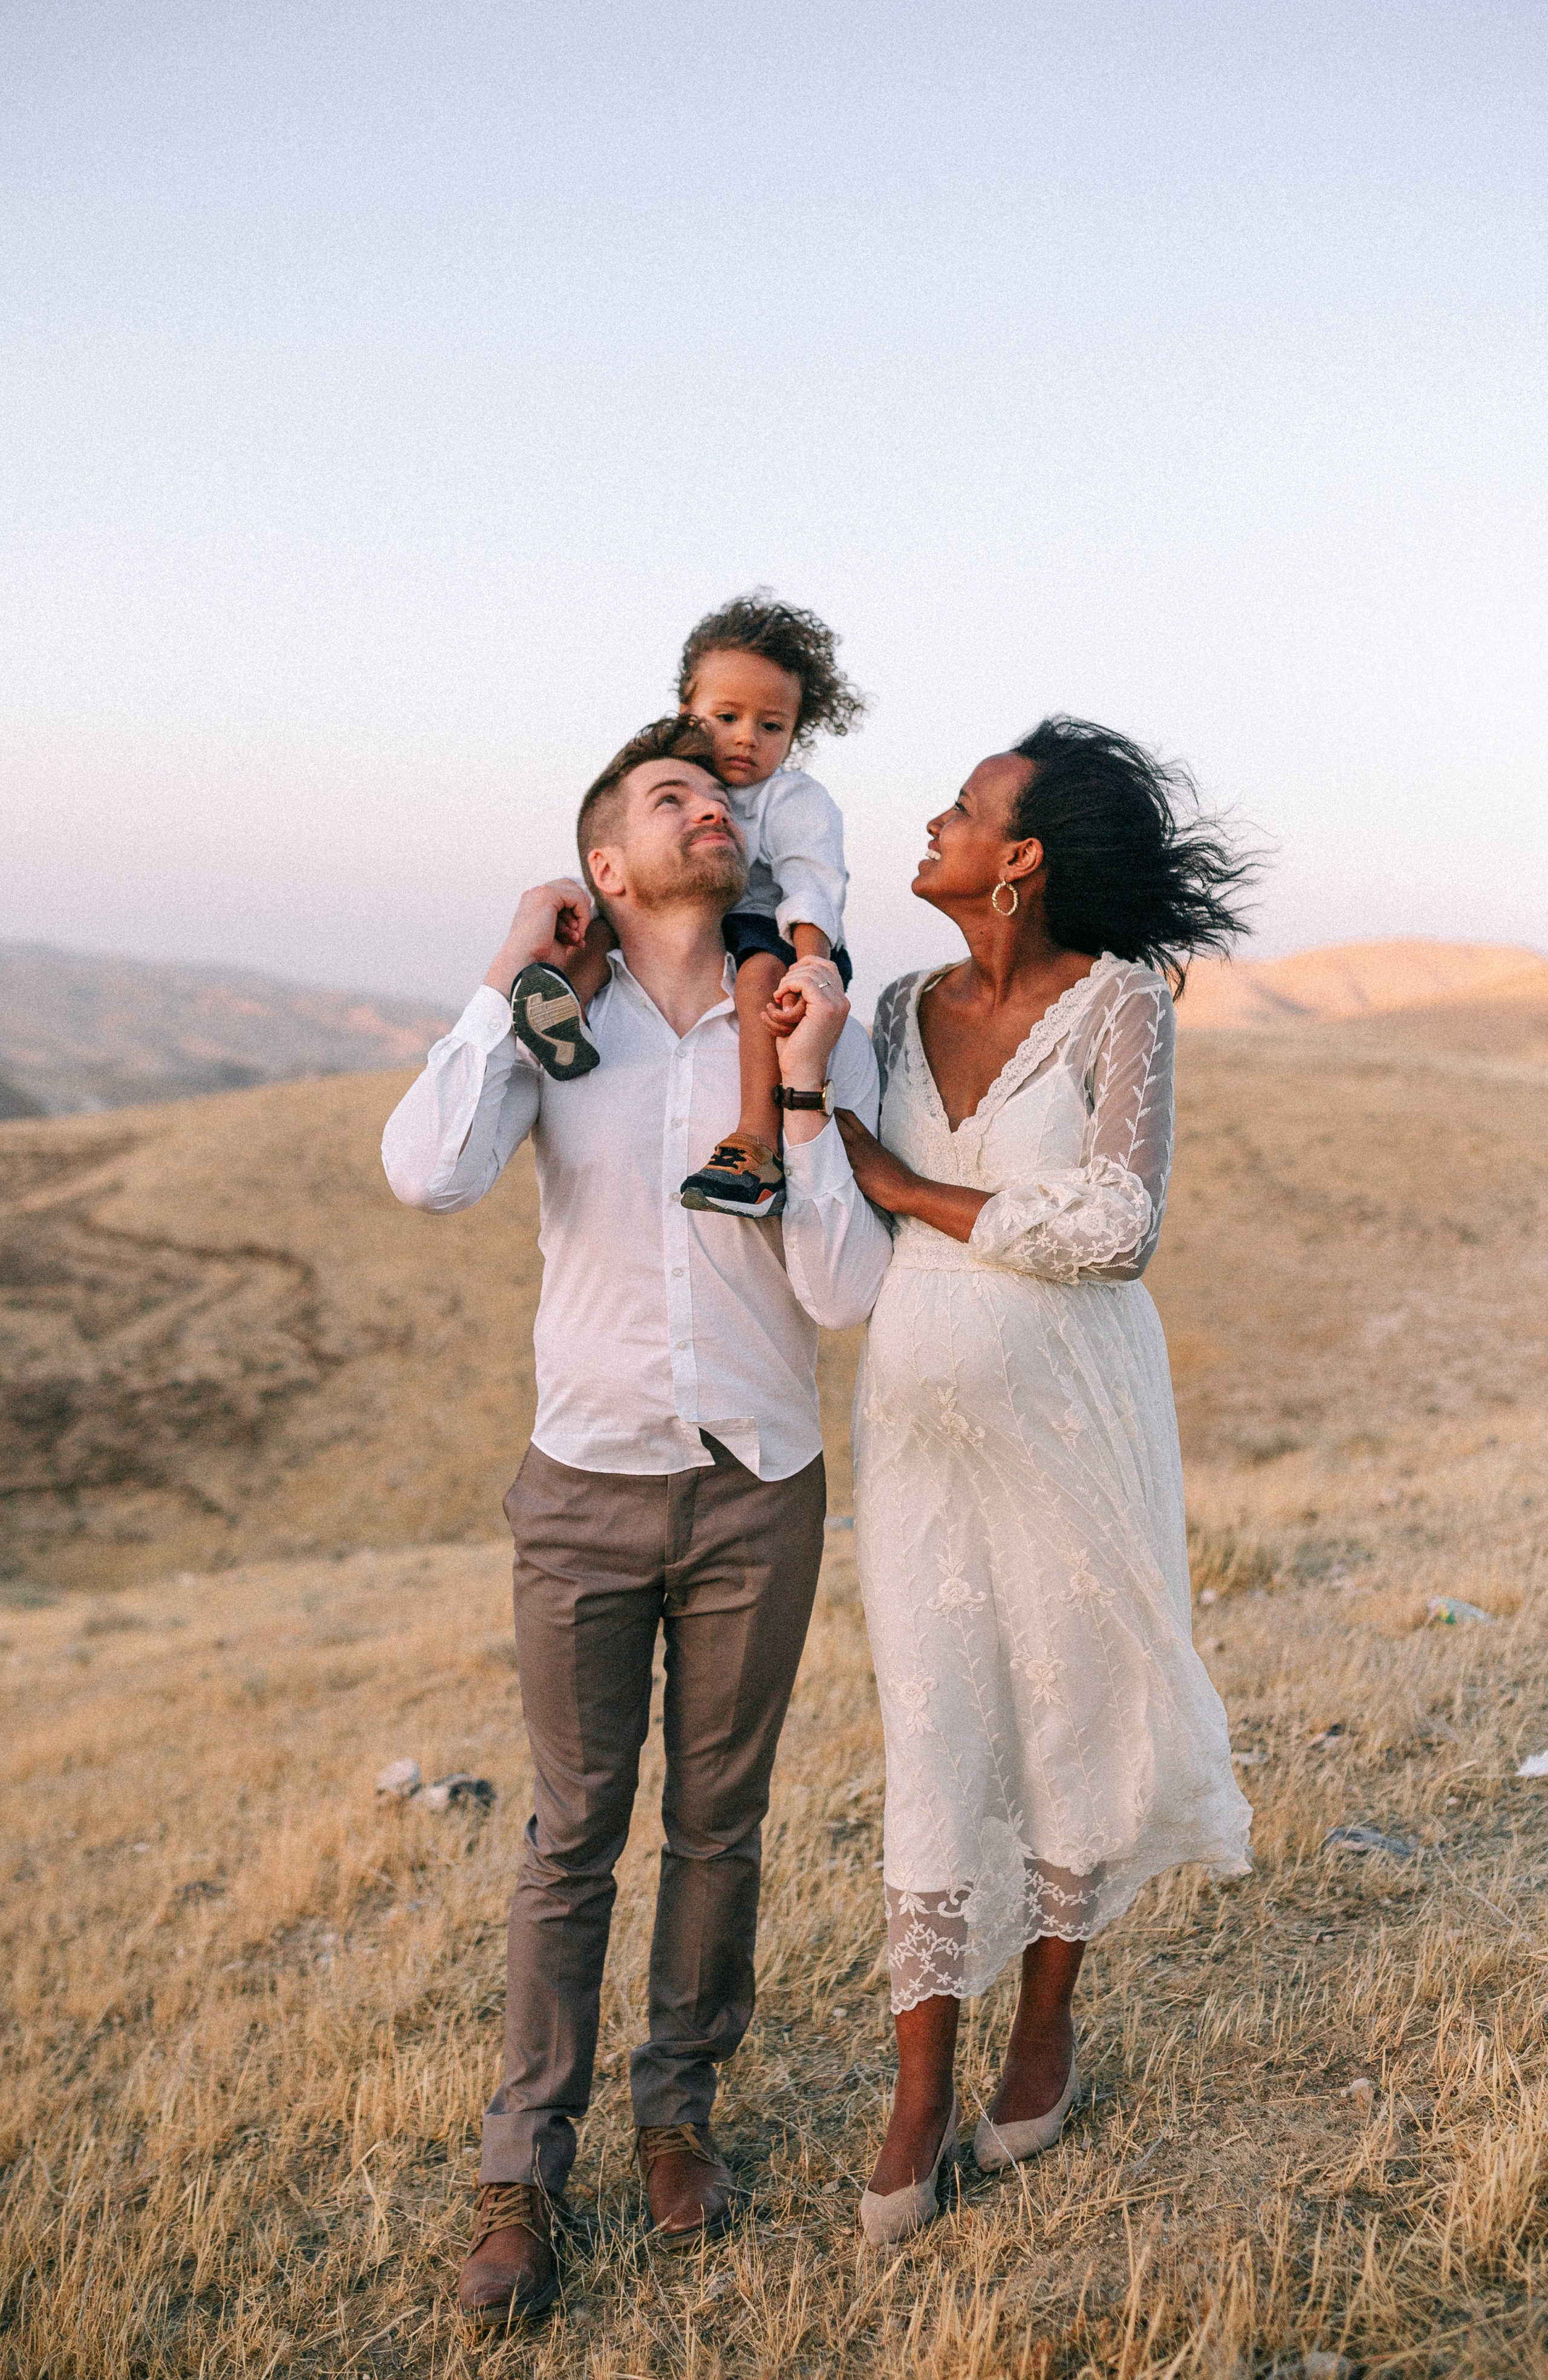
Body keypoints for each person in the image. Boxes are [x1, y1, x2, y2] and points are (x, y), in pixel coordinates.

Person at [380, 714, 889, 2324]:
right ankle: (523, 2169)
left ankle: (680, 2112)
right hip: (585, 1482)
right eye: (671, 794)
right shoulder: (560, 1016)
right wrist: (504, 968)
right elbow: (428, 1173)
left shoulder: (802, 1008)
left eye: (721, 792)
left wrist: (805, 1090)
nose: (710, 808)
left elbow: (844, 1285)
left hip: (761, 1479)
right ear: (607, 862)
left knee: (721, 1824)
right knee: (570, 1834)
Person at [793, 716, 1257, 2246]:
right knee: (934, 1721)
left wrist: (909, 1184)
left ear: (1023, 856)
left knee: (1067, 1705)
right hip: (915, 1427)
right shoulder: (903, 1004)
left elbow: (1118, 1220)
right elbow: (815, 1156)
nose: (931, 820)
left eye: (964, 807)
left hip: (1075, 1411)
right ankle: (916, 2090)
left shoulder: (1120, 1007)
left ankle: (1042, 2022)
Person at [506, 593, 864, 1222]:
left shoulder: (795, 799)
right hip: (696, 924)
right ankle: (564, 1022)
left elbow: (811, 883)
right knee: (609, 918)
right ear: (689, 713)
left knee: (755, 974)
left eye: (772, 726)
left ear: (794, 733)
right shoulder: (684, 775)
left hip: (771, 928)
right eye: (727, 716)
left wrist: (813, 965)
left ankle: (754, 1140)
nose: (747, 738)